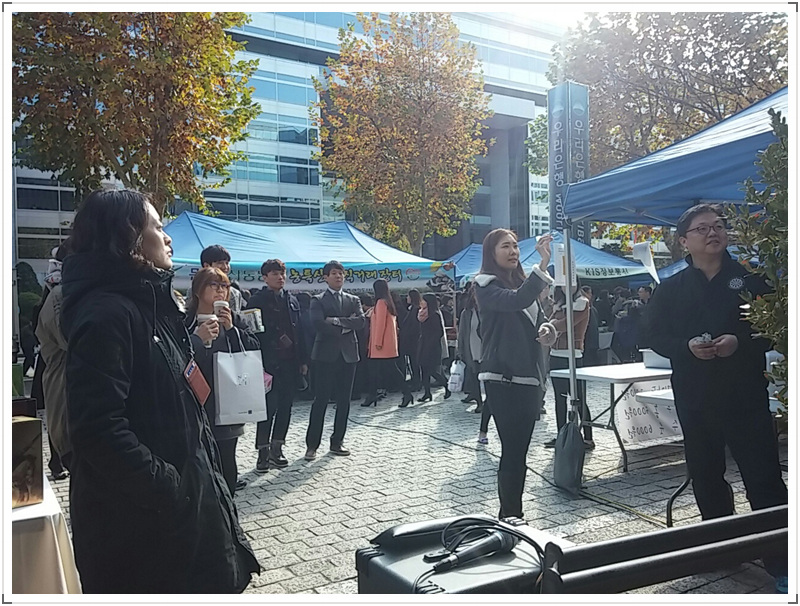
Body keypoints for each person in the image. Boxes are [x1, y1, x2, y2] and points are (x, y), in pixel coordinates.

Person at [60, 189, 259, 593]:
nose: (167, 237)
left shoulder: (151, 305)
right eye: (157, 226)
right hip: (147, 531)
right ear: (129, 237)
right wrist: (171, 487)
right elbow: (98, 431)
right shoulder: (106, 315)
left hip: (184, 517)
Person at [641, 203, 787, 590]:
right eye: (703, 228)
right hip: (695, 396)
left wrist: (739, 342)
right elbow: (653, 335)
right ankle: (722, 549)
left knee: (763, 477)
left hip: (745, 396)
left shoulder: (752, 280)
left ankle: (781, 557)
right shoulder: (670, 288)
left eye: (719, 226)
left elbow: (774, 329)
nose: (713, 233)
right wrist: (685, 347)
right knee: (706, 475)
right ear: (683, 241)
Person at [474, 229, 556, 519]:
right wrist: (542, 264)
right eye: (505, 247)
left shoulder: (522, 284)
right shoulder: (484, 284)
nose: (513, 252)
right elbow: (515, 301)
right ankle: (510, 515)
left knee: (520, 451)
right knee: (512, 450)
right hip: (502, 378)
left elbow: (540, 319)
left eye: (515, 246)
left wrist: (548, 330)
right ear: (491, 253)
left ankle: (512, 514)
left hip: (530, 377)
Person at [185, 267, 260, 494]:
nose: (220, 291)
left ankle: (228, 506)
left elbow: (253, 350)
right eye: (214, 285)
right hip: (194, 400)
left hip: (228, 399)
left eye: (224, 286)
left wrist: (231, 329)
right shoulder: (184, 320)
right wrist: (196, 339)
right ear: (198, 290)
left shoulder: (235, 318)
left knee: (227, 459)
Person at [246, 260, 308, 472]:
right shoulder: (256, 300)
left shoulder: (292, 300)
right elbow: (251, 333)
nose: (280, 277)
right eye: (275, 274)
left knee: (286, 406)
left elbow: (300, 332)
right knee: (267, 407)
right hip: (267, 363)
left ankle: (277, 447)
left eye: (282, 273)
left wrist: (303, 360)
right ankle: (262, 452)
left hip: (290, 361)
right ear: (265, 277)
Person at [304, 261, 366, 460]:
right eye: (334, 273)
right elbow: (318, 324)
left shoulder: (353, 299)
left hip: (348, 355)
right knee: (321, 400)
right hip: (325, 355)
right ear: (326, 277)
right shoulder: (318, 300)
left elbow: (361, 321)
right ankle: (312, 445)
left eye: (341, 273)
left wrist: (336, 321)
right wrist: (346, 326)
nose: (338, 276)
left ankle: (337, 441)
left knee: (344, 401)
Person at [34, 241, 72, 480]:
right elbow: (72, 342)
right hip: (66, 397)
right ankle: (56, 463)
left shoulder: (58, 293)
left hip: (64, 397)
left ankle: (56, 462)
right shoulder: (60, 296)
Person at [544, 282, 593, 449]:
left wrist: (549, 326)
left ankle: (588, 437)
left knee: (578, 397)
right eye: (564, 284)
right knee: (559, 398)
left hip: (573, 354)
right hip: (555, 354)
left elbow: (566, 324)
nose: (568, 287)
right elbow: (548, 322)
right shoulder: (558, 303)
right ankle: (561, 436)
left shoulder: (582, 303)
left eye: (571, 284)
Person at [362, 279, 413, 408]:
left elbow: (380, 324)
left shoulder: (381, 303)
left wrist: (377, 342)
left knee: (386, 369)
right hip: (386, 343)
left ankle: (405, 393)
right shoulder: (388, 303)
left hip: (380, 344)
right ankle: (374, 394)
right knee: (383, 369)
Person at [186, 244, 244, 313]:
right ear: (206, 265)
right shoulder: (194, 289)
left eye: (227, 263)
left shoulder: (234, 293)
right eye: (220, 263)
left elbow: (235, 317)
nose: (225, 267)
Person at [417, 294, 450, 403]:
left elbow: (439, 332)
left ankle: (446, 385)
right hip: (423, 344)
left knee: (432, 370)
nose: (421, 302)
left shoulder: (435, 315)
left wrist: (430, 342)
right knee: (424, 370)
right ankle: (427, 393)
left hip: (432, 347)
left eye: (423, 300)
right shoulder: (422, 313)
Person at [456, 281, 483, 412]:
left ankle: (488, 402)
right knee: (474, 376)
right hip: (472, 349)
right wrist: (459, 350)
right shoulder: (466, 313)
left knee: (486, 378)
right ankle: (479, 401)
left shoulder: (486, 310)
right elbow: (462, 333)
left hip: (486, 349)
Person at [399, 289, 423, 391]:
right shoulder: (411, 309)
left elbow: (414, 326)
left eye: (408, 296)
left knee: (414, 362)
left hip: (413, 340)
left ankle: (417, 382)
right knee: (412, 362)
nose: (407, 298)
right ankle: (415, 380)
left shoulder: (415, 309)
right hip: (410, 340)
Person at [581, 285, 601, 368]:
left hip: (593, 340)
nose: (591, 295)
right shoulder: (583, 308)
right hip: (587, 341)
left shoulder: (593, 308)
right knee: (588, 362)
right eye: (589, 293)